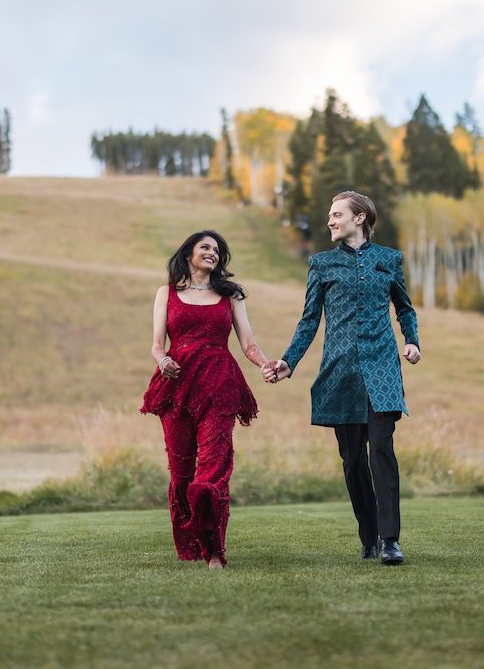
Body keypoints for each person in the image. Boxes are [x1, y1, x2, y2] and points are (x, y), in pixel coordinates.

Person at [264, 191, 420, 565]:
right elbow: (309, 320)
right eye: (330, 215)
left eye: (337, 215)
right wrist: (289, 361)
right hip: (340, 371)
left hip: (381, 368)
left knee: (381, 449)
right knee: (352, 461)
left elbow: (404, 307)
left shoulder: (389, 259)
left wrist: (411, 340)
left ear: (360, 217)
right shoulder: (320, 264)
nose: (330, 221)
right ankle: (368, 535)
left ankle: (390, 540)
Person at [141, 229, 272, 569]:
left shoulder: (231, 295)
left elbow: (248, 344)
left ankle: (215, 550)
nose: (213, 253)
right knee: (182, 474)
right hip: (178, 386)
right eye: (206, 247)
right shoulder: (166, 293)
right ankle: (189, 545)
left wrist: (264, 364)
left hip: (220, 383)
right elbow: (157, 344)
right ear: (188, 254)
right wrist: (164, 361)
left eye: (218, 250)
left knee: (213, 469)